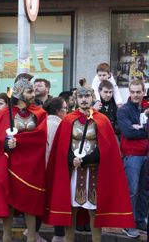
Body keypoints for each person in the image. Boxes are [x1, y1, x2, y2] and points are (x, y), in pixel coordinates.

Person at [45, 79, 134, 242]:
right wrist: (71, 159)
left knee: (94, 210)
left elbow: (107, 148)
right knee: (71, 210)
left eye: (87, 96)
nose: (84, 99)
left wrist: (87, 159)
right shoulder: (68, 120)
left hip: (94, 171)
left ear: (92, 98)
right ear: (76, 99)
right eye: (80, 96)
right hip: (74, 172)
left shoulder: (102, 119)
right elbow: (62, 147)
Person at [0, 75, 47, 242]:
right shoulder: (5, 114)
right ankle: (6, 237)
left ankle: (31, 237)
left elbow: (40, 137)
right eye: (30, 91)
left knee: (31, 203)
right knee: (8, 201)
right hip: (11, 164)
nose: (33, 94)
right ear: (19, 93)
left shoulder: (39, 113)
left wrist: (20, 141)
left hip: (32, 165)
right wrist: (5, 143)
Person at [117, 79, 149, 238]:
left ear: (144, 92)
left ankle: (140, 221)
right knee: (132, 190)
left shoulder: (147, 107)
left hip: (146, 154)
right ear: (129, 92)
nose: (135, 95)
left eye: (138, 92)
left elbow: (136, 130)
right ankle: (127, 224)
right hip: (132, 156)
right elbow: (129, 133)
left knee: (144, 190)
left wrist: (140, 127)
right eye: (133, 92)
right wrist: (146, 129)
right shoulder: (123, 110)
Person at [42, 97, 68, 242]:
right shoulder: (58, 124)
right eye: (64, 108)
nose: (66, 111)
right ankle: (59, 235)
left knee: (46, 201)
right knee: (57, 201)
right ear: (58, 111)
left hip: (44, 167)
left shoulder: (44, 122)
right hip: (54, 168)